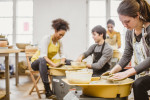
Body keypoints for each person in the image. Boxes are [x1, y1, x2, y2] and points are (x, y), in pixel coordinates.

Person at [108, 0, 150, 100]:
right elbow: (127, 55)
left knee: (139, 84)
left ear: (137, 15)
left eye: (127, 21)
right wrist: (112, 71)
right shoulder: (129, 32)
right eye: (121, 22)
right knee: (117, 77)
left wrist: (128, 72)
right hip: (143, 70)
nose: (124, 25)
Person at [31, 18, 70, 99]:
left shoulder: (59, 41)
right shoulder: (47, 38)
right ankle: (47, 89)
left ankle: (70, 84)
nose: (61, 37)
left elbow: (63, 54)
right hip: (36, 62)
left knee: (69, 61)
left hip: (46, 63)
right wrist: (54, 65)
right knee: (42, 60)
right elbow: (43, 56)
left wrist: (62, 62)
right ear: (55, 30)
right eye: (60, 34)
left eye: (63, 35)